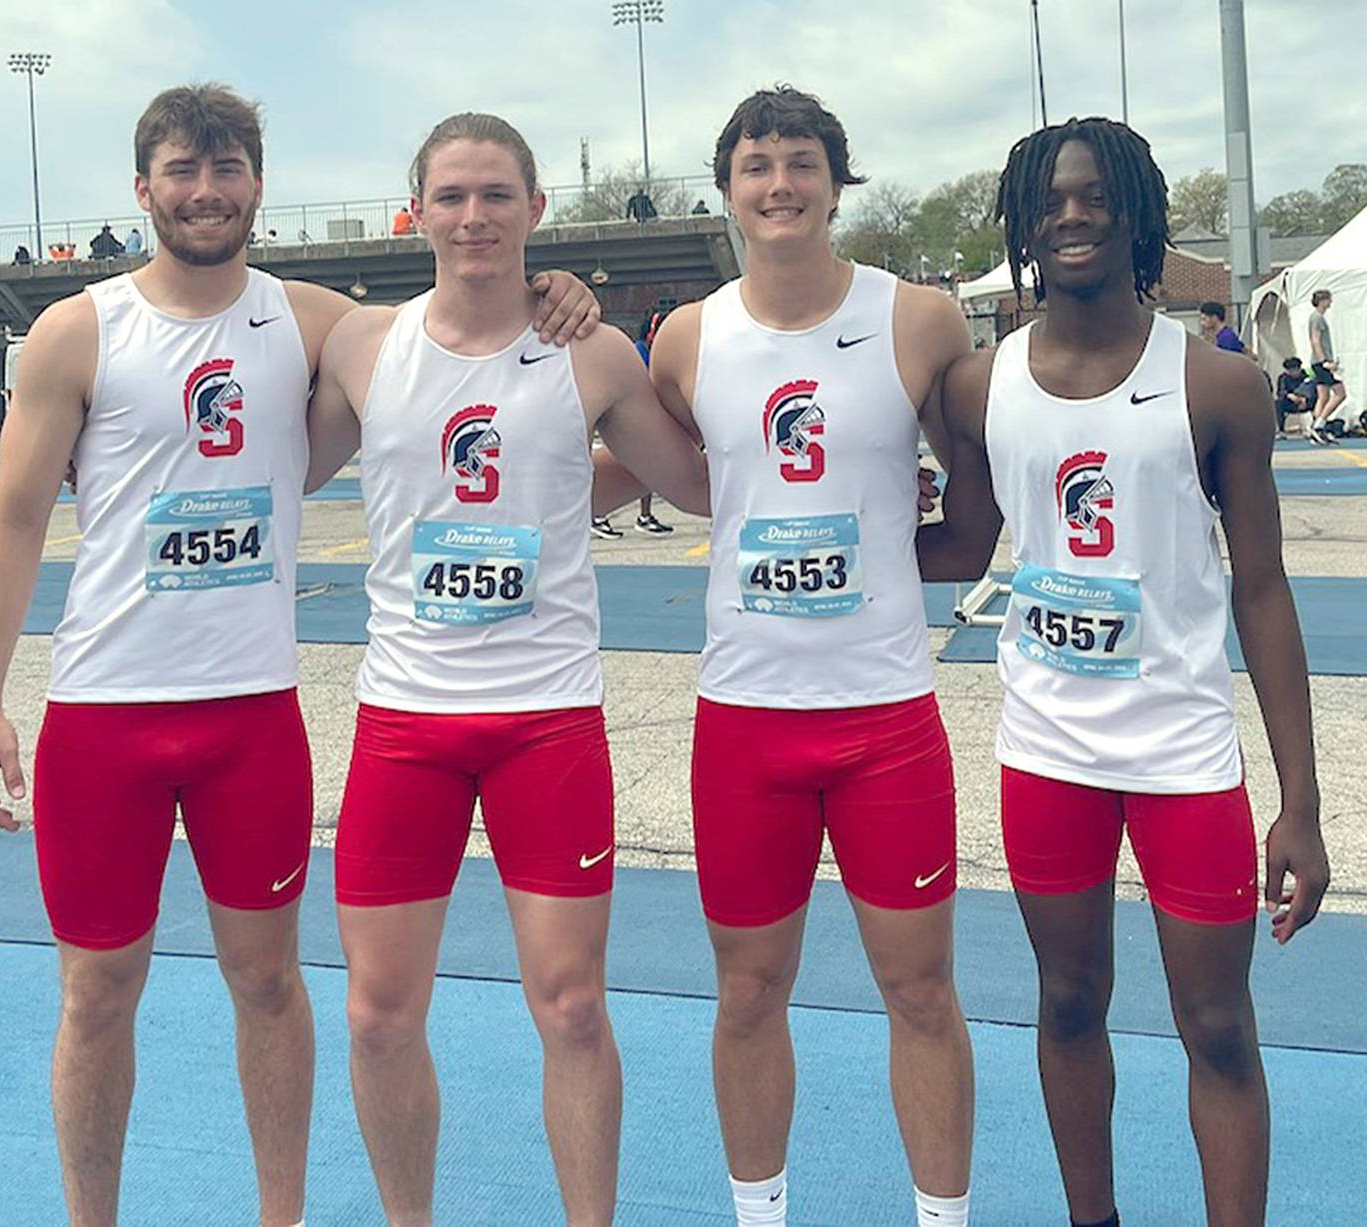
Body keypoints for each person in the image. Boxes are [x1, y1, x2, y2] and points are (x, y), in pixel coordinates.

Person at [0, 84, 599, 1227]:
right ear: (142, 189)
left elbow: (467, 311)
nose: (206, 194)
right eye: (182, 173)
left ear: (258, 183)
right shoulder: (78, 329)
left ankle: (281, 1216)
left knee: (268, 983)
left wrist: (554, 286)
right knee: (97, 993)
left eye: (228, 170)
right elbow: (12, 516)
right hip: (105, 711)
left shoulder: (316, 321)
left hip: (251, 716)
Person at [918, 116, 1331, 1227]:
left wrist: (1301, 799)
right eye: (1049, 200)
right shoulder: (973, 386)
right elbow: (955, 549)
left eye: (1096, 194)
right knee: (1066, 1004)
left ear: (1138, 212)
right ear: (1022, 224)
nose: (1071, 214)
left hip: (1183, 755)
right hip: (1047, 754)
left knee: (1217, 1028)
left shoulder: (1217, 387)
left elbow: (1262, 590)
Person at [302, 111, 708, 1226]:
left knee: (572, 1007)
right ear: (418, 212)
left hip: (547, 724)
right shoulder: (363, 345)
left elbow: (705, 483)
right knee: (379, 1017)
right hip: (405, 724)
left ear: (534, 210)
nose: (473, 216)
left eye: (496, 196)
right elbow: (267, 461)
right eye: (452, 196)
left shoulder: (590, 351)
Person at [643, 86, 976, 1227]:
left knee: (921, 990)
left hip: (885, 717)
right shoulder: (686, 336)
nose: (778, 184)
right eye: (755, 165)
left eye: (800, 163)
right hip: (745, 719)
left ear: (837, 181)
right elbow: (657, 473)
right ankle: (759, 1215)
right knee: (747, 993)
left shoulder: (922, 319)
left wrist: (890, 551)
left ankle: (943, 1216)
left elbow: (979, 501)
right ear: (726, 186)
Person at [633, 311, 673, 534]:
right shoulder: (637, 354)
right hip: (631, 420)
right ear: (651, 334)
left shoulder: (656, 354)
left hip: (648, 419)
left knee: (646, 471)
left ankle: (645, 515)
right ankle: (597, 516)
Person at [1307, 289, 1345, 445]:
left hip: (1318, 362)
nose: (1331, 302)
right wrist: (1325, 361)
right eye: (1329, 299)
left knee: (1324, 396)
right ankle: (1319, 425)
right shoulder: (1317, 318)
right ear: (1322, 300)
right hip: (1320, 362)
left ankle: (1317, 430)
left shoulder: (1317, 317)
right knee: (1340, 393)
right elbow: (1315, 340)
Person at [1275, 357, 1315, 436]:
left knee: (1318, 400)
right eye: (1290, 371)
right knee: (1278, 403)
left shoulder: (1306, 377)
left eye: (1295, 370)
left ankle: (1314, 428)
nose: (1293, 372)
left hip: (1306, 402)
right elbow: (1281, 392)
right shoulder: (1283, 378)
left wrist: (1304, 399)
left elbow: (1312, 390)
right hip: (1291, 403)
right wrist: (1290, 395)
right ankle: (1281, 429)